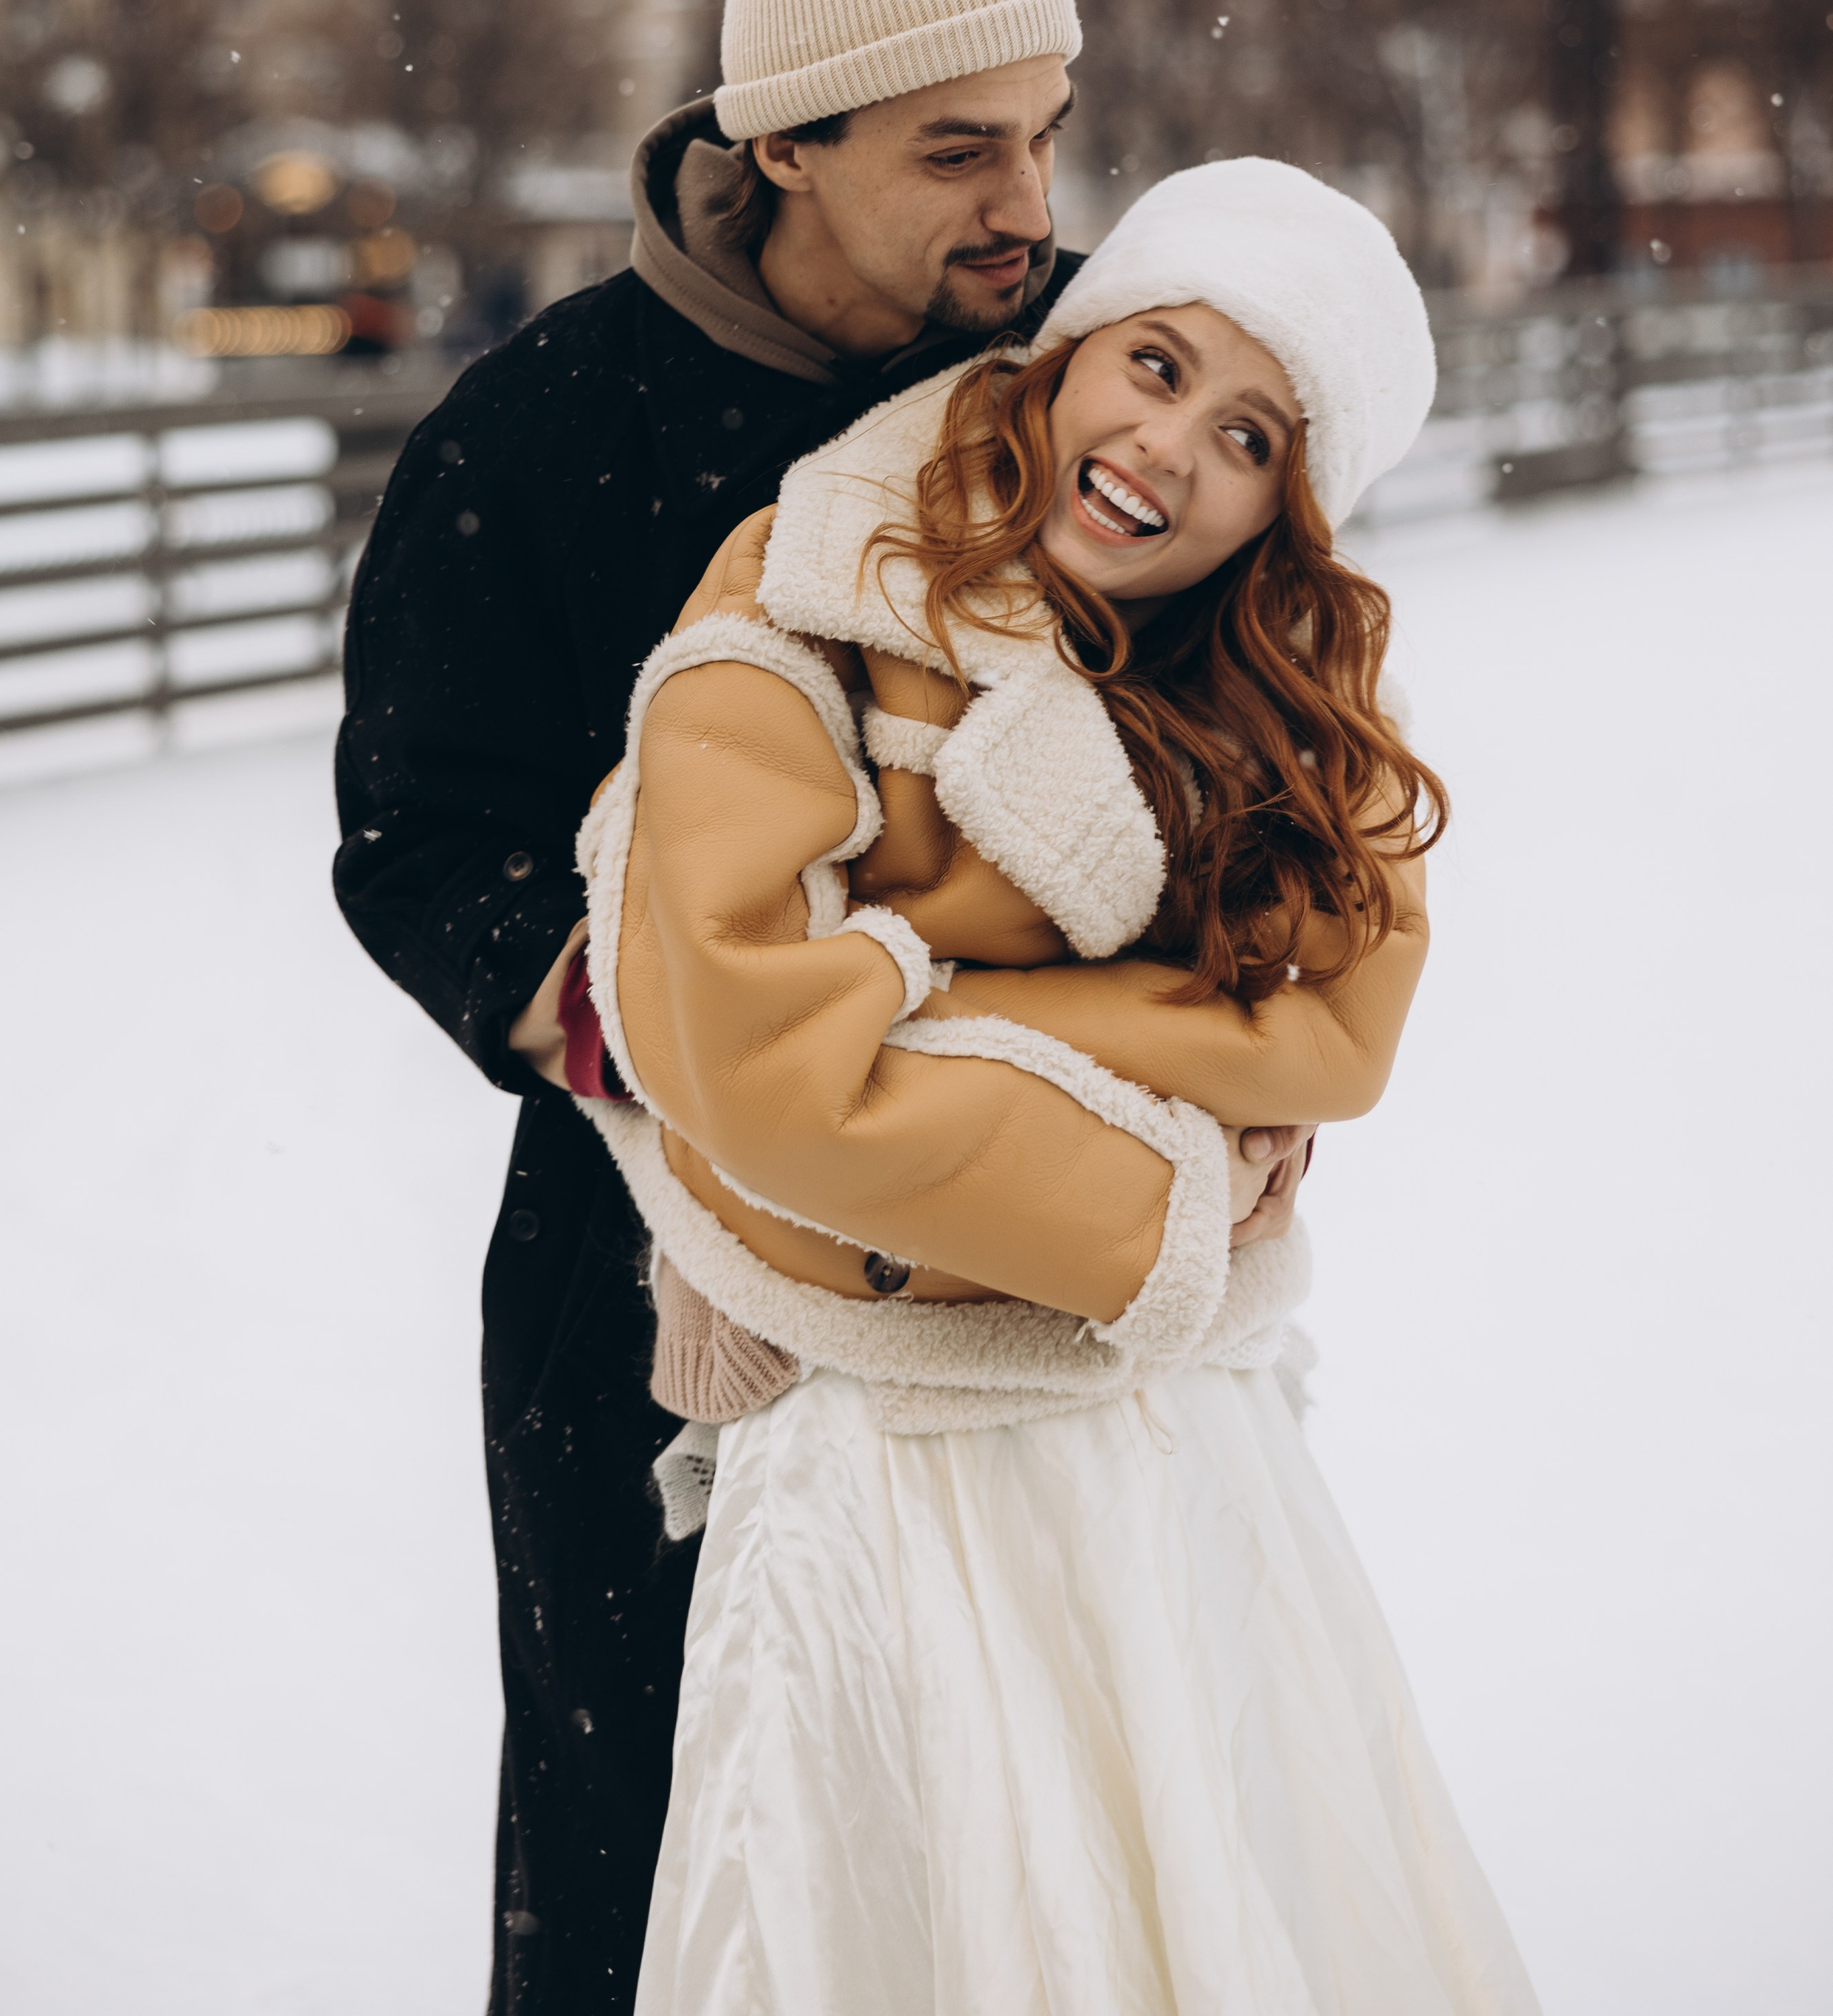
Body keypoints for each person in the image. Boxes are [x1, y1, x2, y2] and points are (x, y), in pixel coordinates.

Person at [332, 0, 1311, 2011]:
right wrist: (722, 1083)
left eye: (1045, 132)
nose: (1024, 197)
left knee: (1020, 1826)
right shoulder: (539, 435)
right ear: (784, 144)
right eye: (959, 147)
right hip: (653, 1294)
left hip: (1032, 1250)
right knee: (674, 1847)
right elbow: (419, 850)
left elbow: (1232, 718)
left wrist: (1234, 1038)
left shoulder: (1059, 384)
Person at [576, 159, 1542, 2013]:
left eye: (1249, 435)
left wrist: (923, 1008)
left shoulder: (1279, 681)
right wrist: (1158, 1178)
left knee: (1198, 1893)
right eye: (1157, 366)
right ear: (1074, 350)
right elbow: (744, 1057)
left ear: (1285, 506)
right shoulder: (818, 576)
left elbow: (1333, 1042)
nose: (1166, 449)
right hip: (887, 1428)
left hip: (1165, 1433)